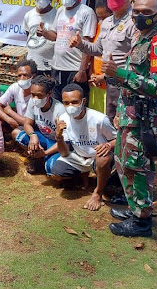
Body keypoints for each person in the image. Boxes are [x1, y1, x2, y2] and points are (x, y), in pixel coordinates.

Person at [101, 0, 157, 238]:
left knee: (138, 167)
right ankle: (134, 207)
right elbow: (134, 77)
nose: (140, 16)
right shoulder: (140, 36)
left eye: (147, 12)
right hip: (130, 112)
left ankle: (142, 222)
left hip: (145, 117)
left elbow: (156, 86)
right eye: (137, 11)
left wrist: (121, 74)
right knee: (124, 163)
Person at [70, 0, 136, 121]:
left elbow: (137, 61)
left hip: (126, 85)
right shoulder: (106, 22)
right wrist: (80, 44)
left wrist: (112, 74)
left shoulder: (134, 23)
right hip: (110, 84)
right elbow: (97, 49)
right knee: (109, 121)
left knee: (124, 123)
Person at [44, 83, 117, 211]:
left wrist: (108, 145)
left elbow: (118, 139)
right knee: (56, 172)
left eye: (74, 102)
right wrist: (59, 136)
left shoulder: (99, 119)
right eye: (66, 103)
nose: (70, 106)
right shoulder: (63, 119)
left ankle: (97, 193)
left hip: (97, 157)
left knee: (103, 160)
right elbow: (64, 153)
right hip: (79, 156)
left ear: (83, 101)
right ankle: (84, 175)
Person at [39, 0, 96, 98]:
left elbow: (88, 43)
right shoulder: (60, 11)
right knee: (58, 105)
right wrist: (44, 33)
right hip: (57, 68)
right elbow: (55, 36)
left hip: (74, 70)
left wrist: (82, 70)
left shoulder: (86, 12)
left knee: (74, 106)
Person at [13, 75, 66, 174]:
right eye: (33, 95)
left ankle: (43, 157)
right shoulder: (32, 102)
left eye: (40, 95)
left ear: (49, 93)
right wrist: (33, 137)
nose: (35, 98)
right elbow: (27, 123)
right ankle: (37, 158)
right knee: (18, 134)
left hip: (57, 143)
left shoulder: (59, 110)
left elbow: (66, 141)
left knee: (51, 169)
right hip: (42, 138)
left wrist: (45, 153)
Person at [23, 0, 57, 76]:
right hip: (31, 66)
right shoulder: (29, 15)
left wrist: (46, 34)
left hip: (50, 67)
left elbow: (59, 38)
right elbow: (28, 35)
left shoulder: (57, 15)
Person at [0, 60, 37, 135]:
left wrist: (10, 112)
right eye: (19, 75)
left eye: (25, 75)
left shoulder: (38, 93)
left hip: (33, 128)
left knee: (16, 133)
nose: (22, 78)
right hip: (19, 123)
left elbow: (29, 122)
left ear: (33, 76)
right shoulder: (15, 87)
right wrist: (8, 119)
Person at [86, 0, 113, 114]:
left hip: (109, 84)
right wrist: (91, 72)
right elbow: (93, 52)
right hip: (94, 81)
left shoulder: (116, 31)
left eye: (104, 17)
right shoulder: (97, 27)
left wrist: (103, 77)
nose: (101, 21)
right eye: (99, 17)